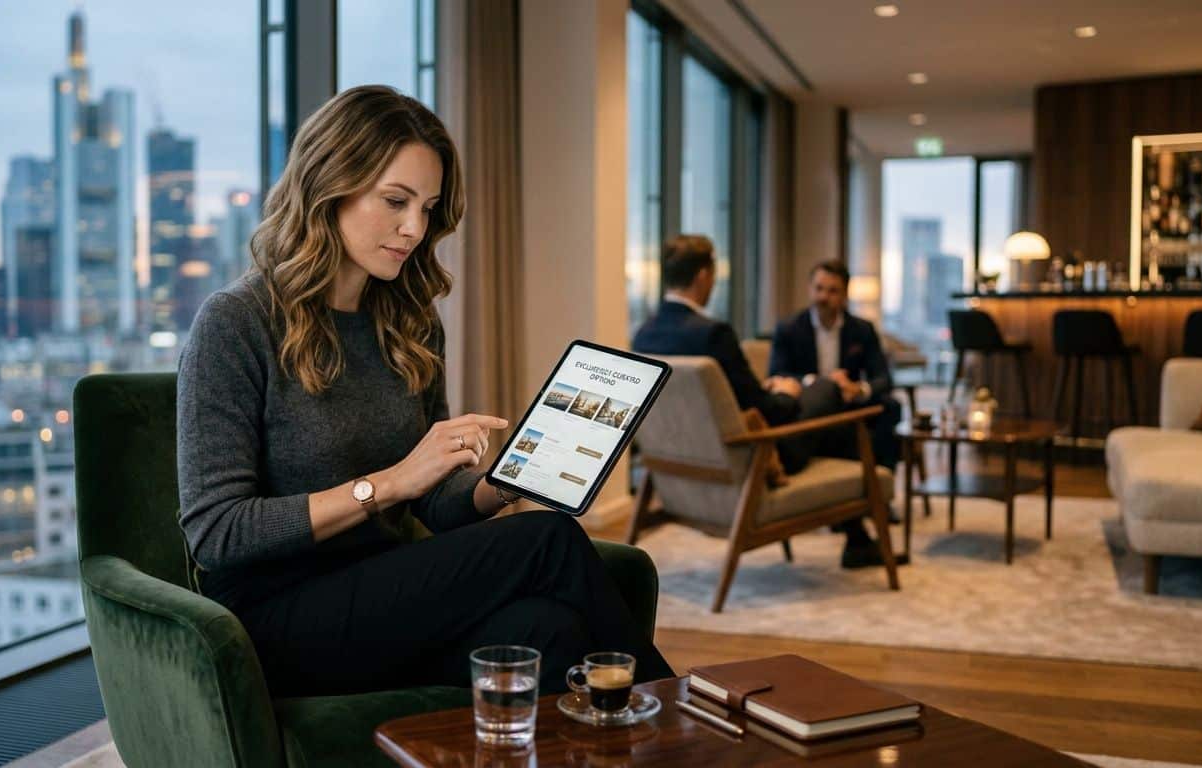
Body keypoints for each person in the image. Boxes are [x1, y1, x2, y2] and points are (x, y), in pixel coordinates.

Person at [176, 85, 673, 698]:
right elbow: (216, 532)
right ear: (329, 184)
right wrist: (387, 484)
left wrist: (502, 483)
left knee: (548, 629)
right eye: (395, 201)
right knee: (550, 539)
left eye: (429, 207)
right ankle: (690, 727)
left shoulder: (407, 322)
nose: (415, 228)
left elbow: (434, 504)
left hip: (383, 591)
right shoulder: (235, 322)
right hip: (276, 617)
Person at [632, 236, 891, 568]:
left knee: (831, 407)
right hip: (756, 459)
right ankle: (858, 534)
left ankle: (858, 537)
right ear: (702, 276)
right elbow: (768, 409)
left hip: (680, 468)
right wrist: (787, 393)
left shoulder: (643, 335)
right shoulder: (713, 334)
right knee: (830, 394)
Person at [767, 259, 903, 473]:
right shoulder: (788, 328)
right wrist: (820, 383)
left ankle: (881, 486)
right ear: (809, 288)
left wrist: (858, 388)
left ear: (844, 295)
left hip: (849, 404)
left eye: (832, 291)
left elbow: (883, 378)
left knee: (891, 406)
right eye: (818, 289)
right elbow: (777, 373)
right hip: (808, 403)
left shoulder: (862, 329)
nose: (823, 297)